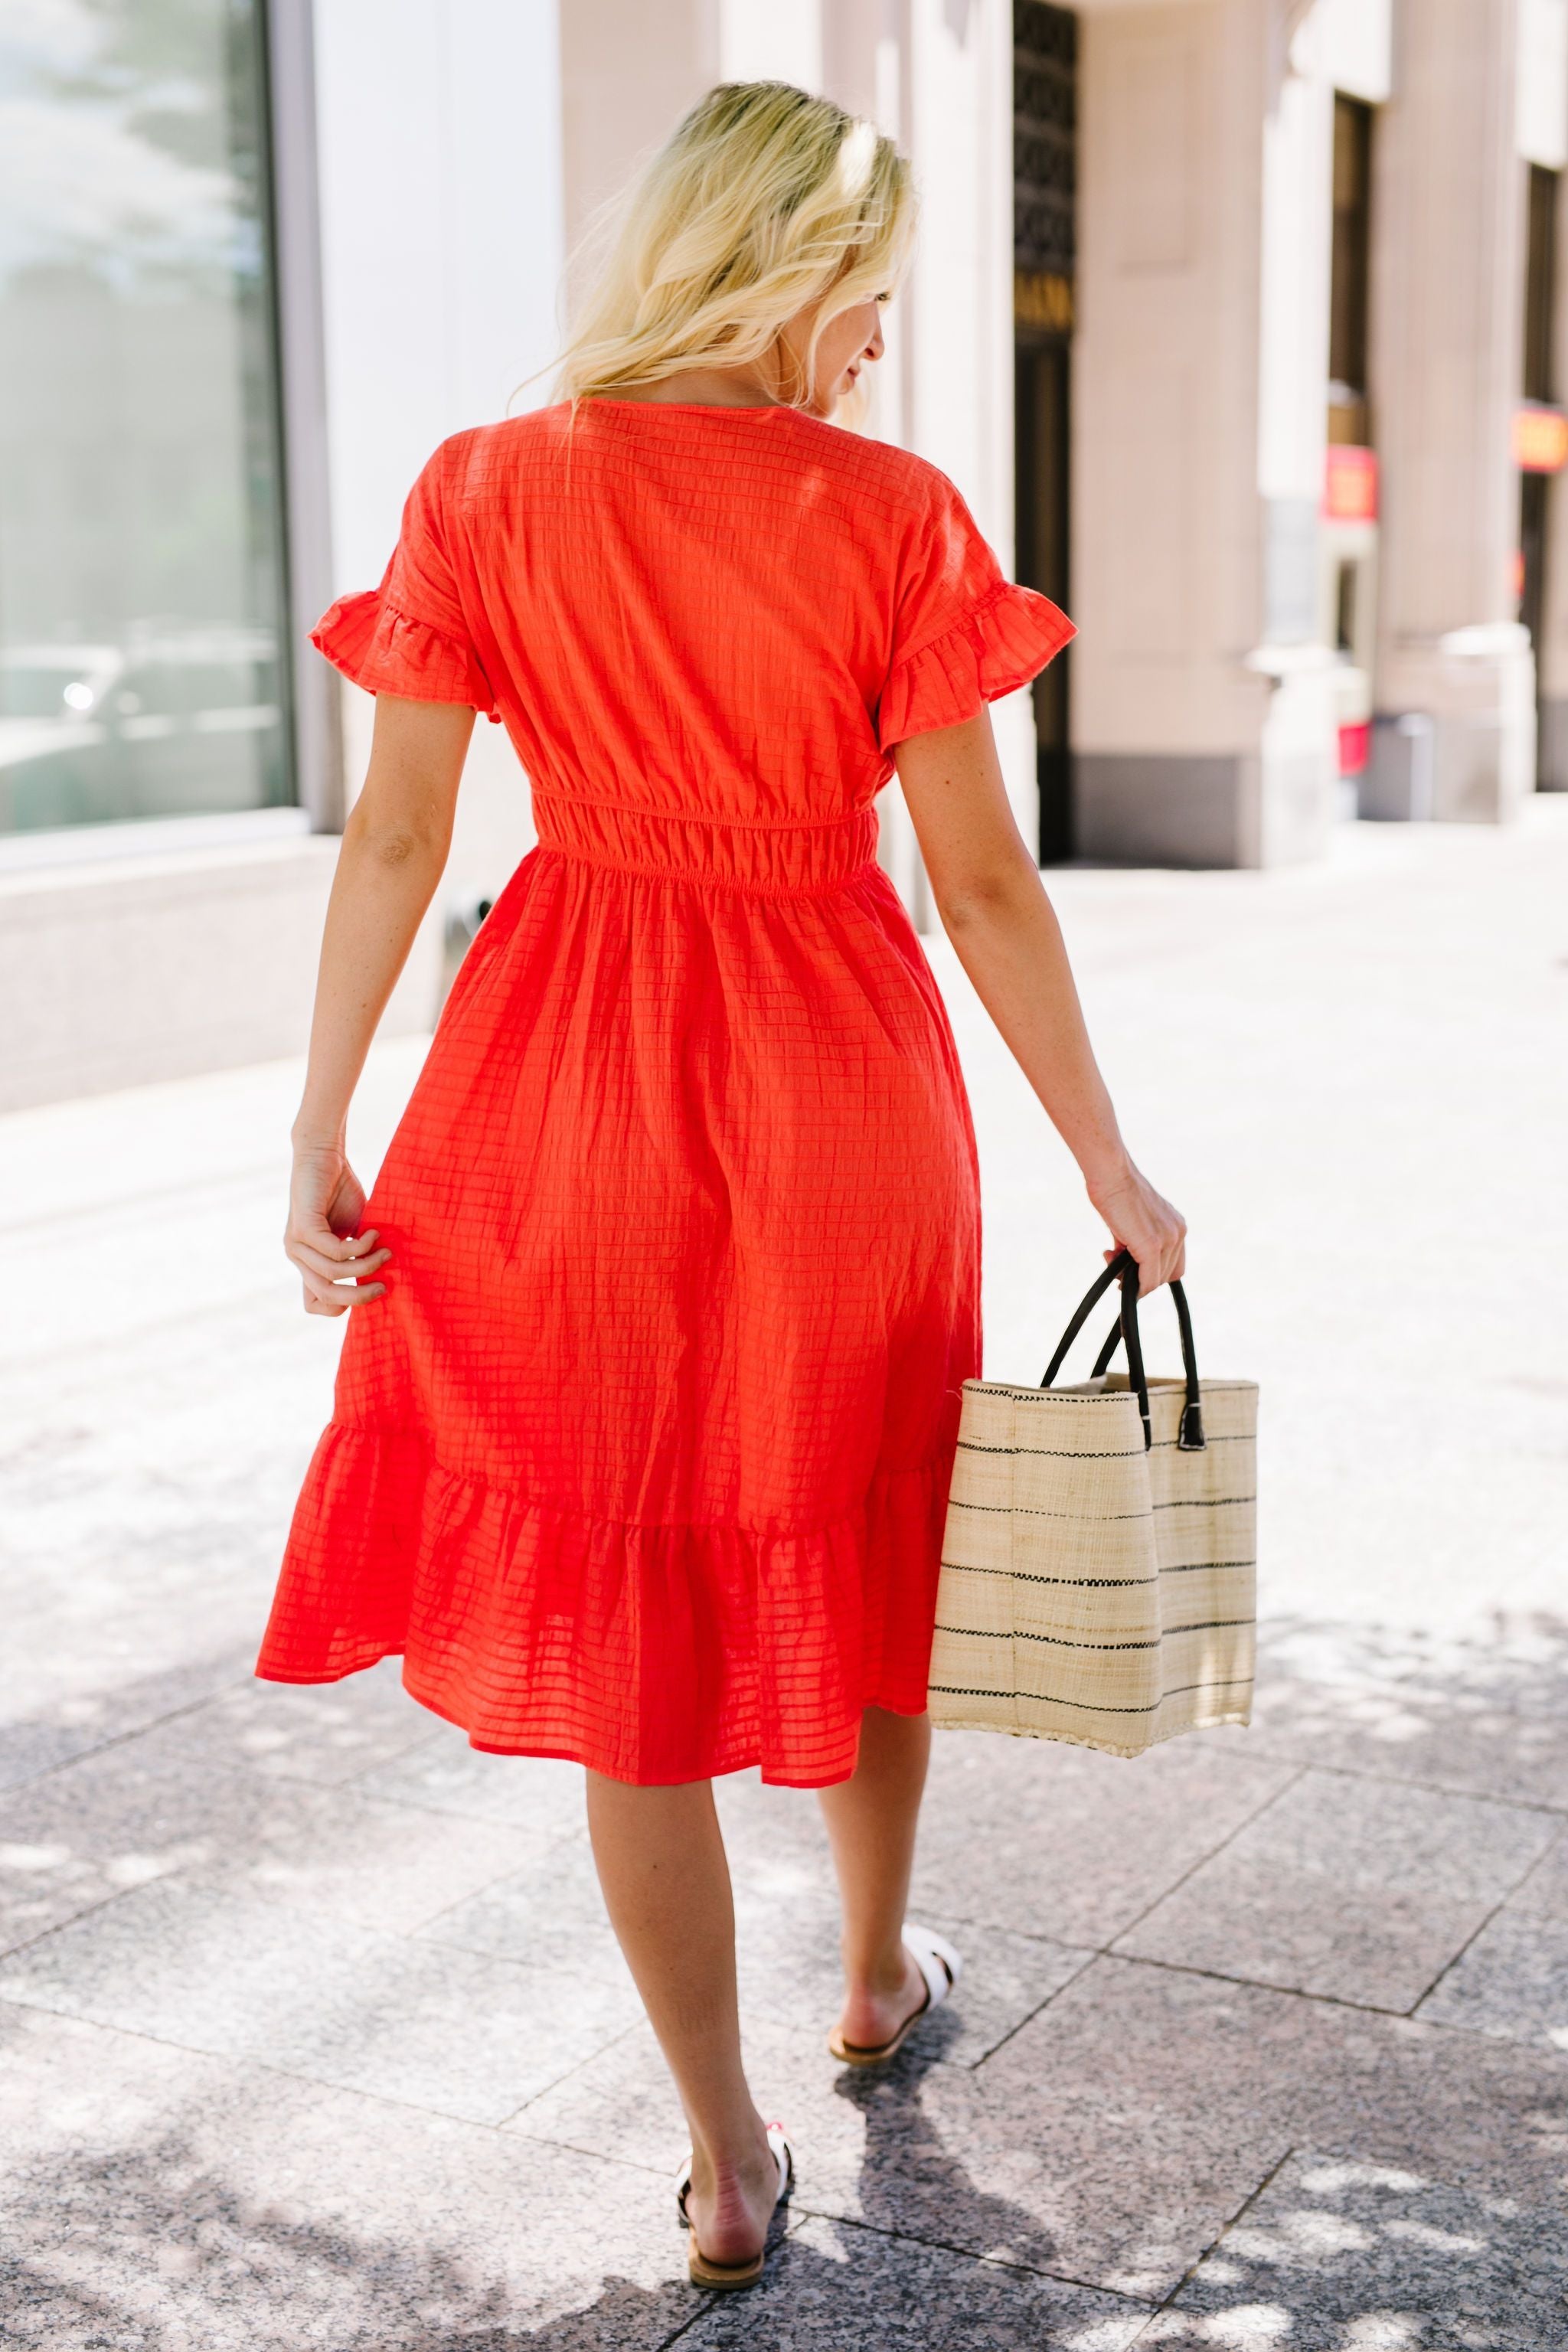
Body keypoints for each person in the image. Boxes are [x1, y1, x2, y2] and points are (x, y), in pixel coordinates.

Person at [258, 80, 1185, 2294]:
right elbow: (976, 877)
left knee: (625, 1612)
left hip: (559, 1071)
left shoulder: (490, 487)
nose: (878, 332)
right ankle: (876, 1973)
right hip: (837, 1078)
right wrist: (1106, 1157)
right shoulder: (890, 515)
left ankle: (730, 2157)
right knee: (868, 1512)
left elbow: (398, 837)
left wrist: (317, 1124)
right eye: (867, 284)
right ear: (784, 269)